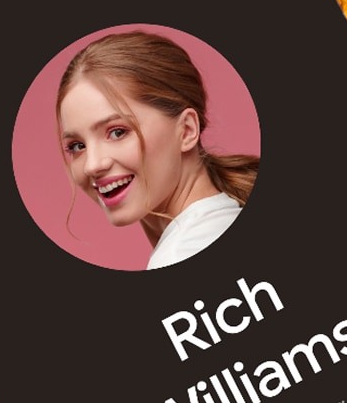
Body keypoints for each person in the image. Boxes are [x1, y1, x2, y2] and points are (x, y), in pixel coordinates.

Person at [56, 31, 259, 269]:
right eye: (77, 146)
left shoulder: (182, 254)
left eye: (118, 132)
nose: (92, 165)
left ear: (186, 130)